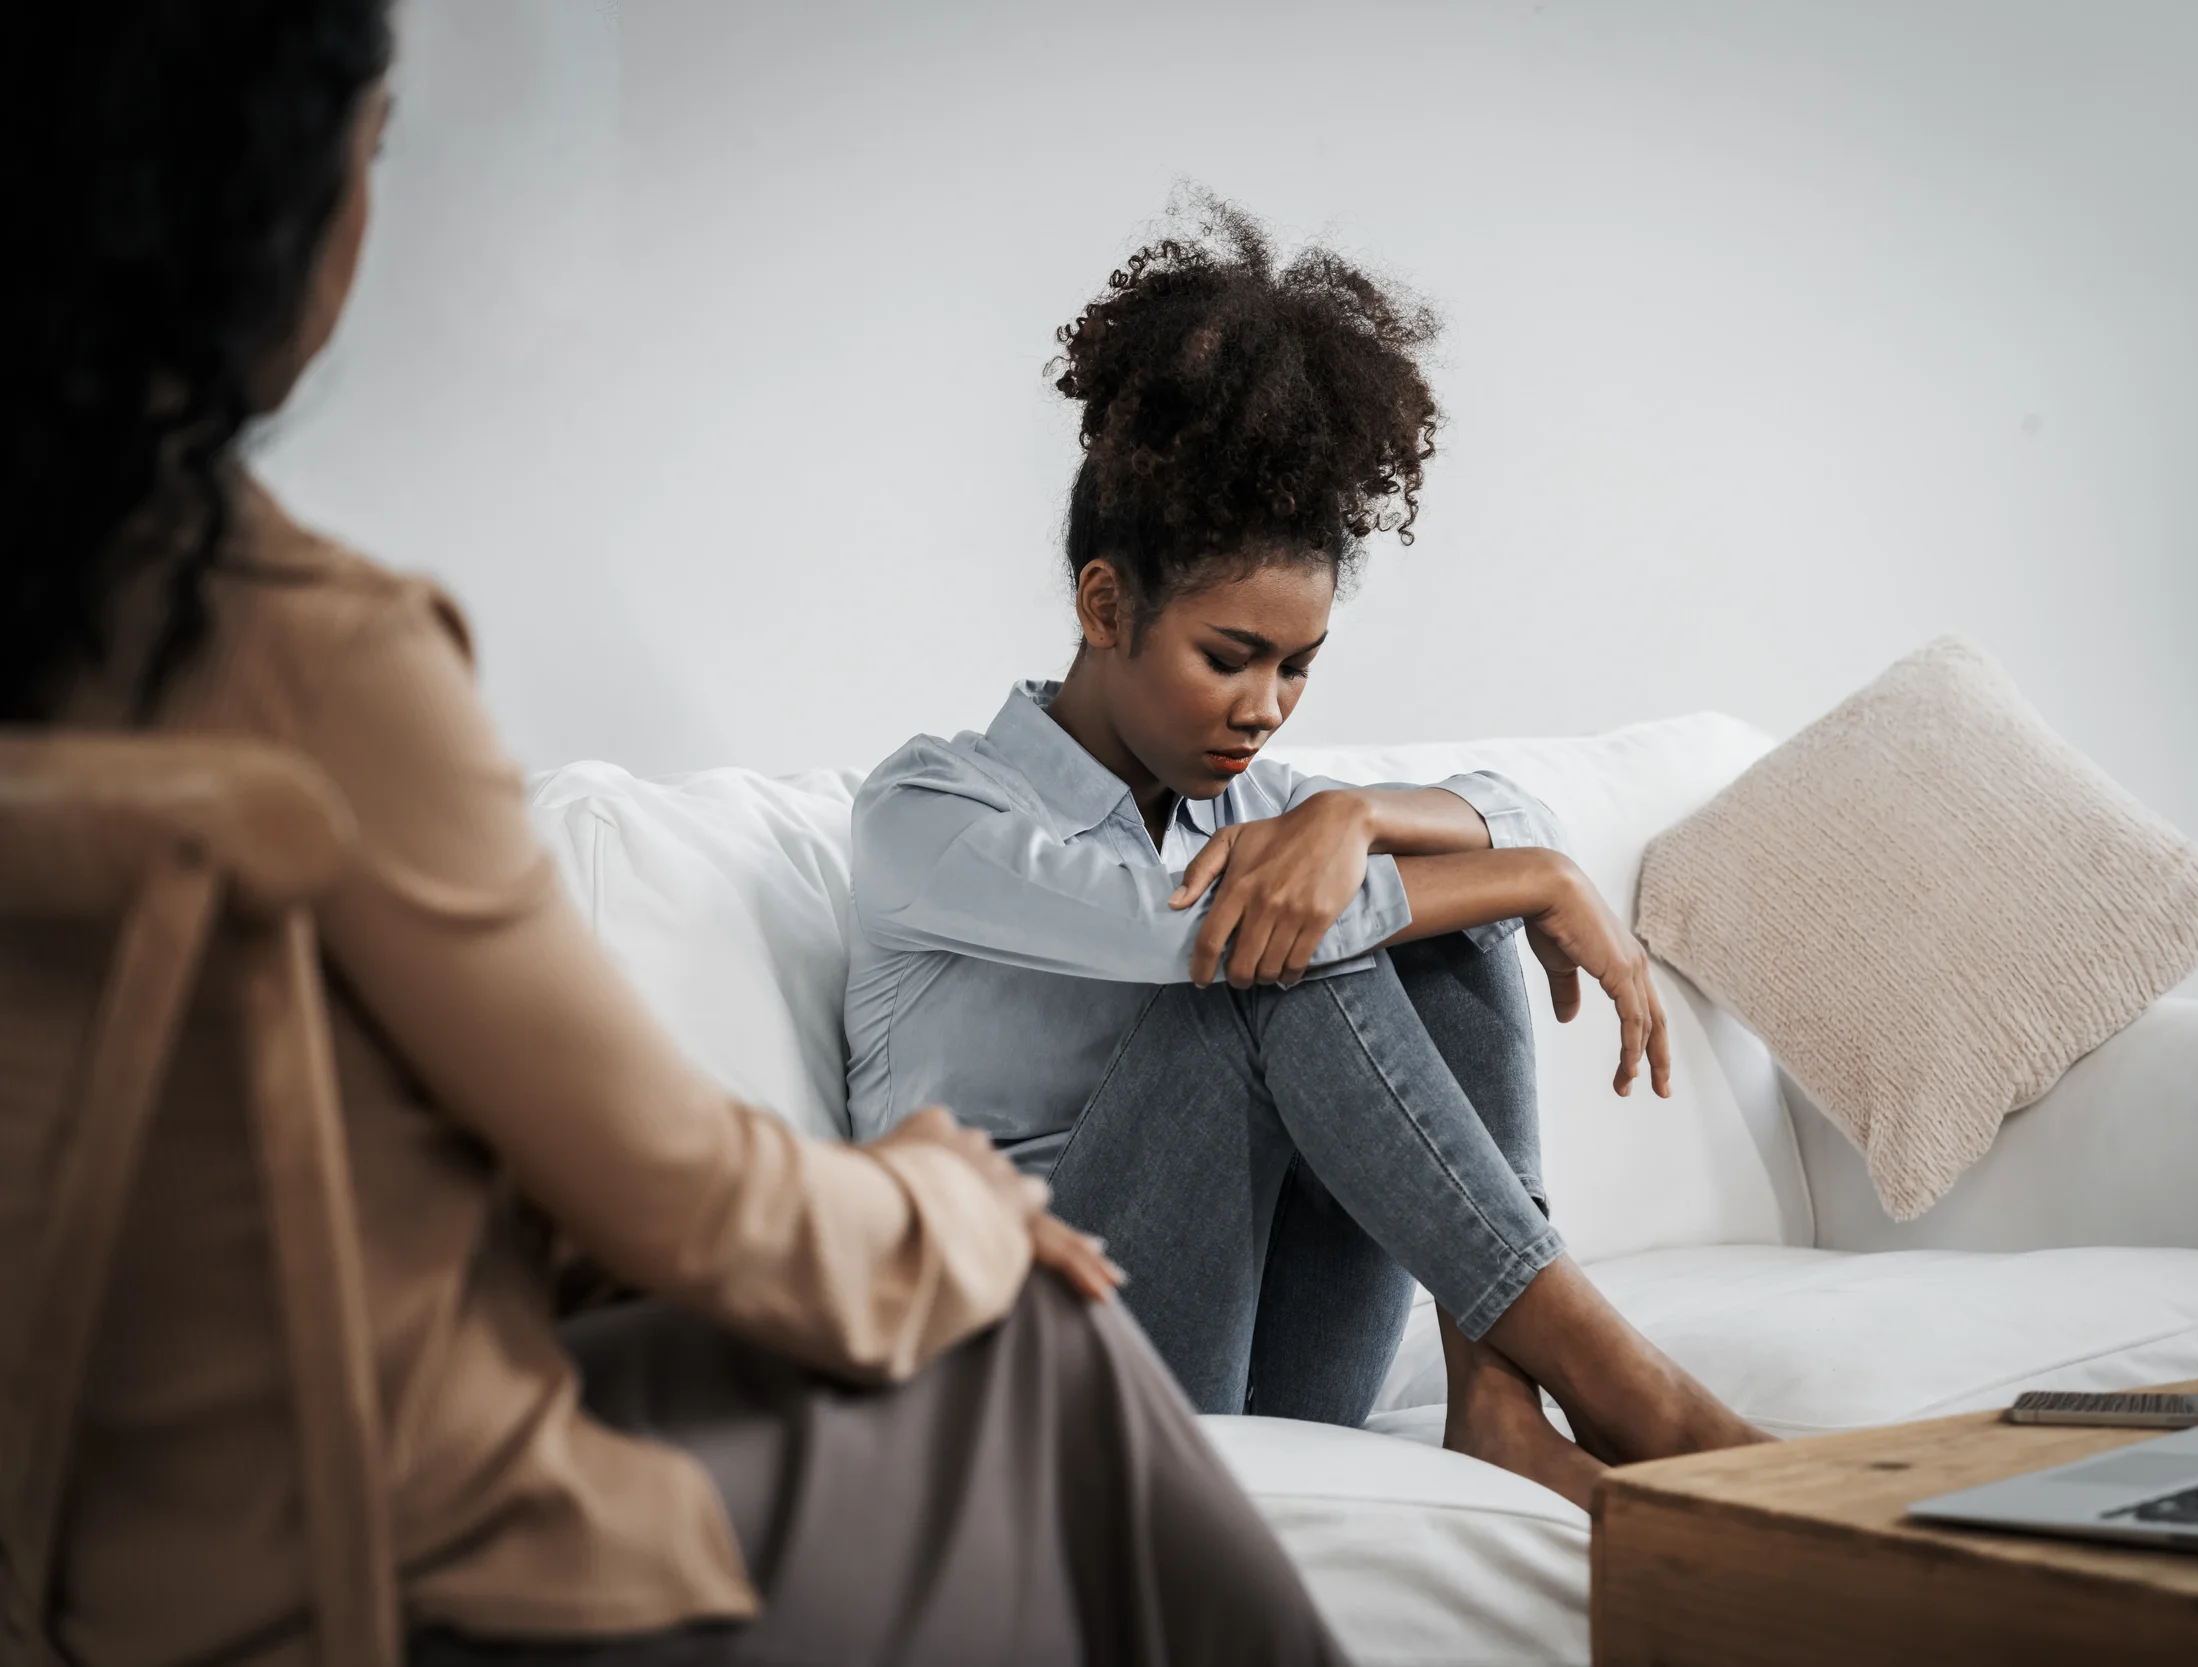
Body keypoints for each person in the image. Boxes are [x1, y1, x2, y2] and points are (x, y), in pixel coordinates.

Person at [0, 7, 1346, 1665]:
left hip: (83, 1558)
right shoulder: (315, 664)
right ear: (265, 219)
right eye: (377, 148)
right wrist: (944, 1202)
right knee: (1036, 1338)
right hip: (395, 1557)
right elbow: (684, 1206)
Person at [845, 202, 1766, 1509]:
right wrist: (1543, 879)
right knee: (1266, 961)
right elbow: (1195, 933)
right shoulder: (933, 812)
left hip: (1253, 1347)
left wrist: (1358, 813)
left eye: (1297, 668)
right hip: (1022, 1382)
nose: (1266, 707)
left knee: (1412, 921)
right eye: (1229, 657)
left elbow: (1494, 805)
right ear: (1106, 606)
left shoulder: (1257, 813)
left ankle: (1497, 1400)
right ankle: (1639, 1393)